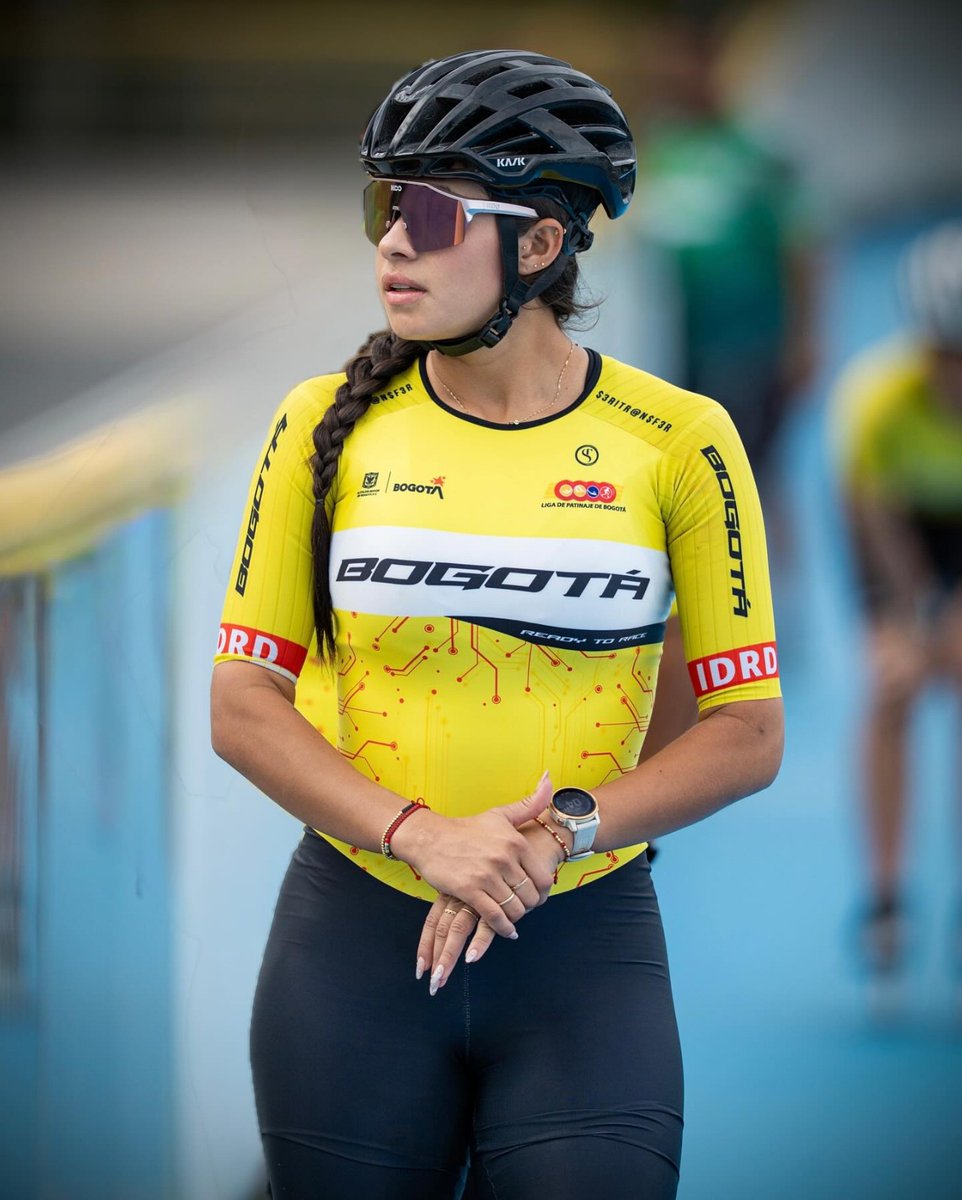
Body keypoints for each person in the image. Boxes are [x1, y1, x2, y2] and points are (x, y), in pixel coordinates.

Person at [210, 48, 784, 1200]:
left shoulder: (677, 439)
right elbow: (240, 709)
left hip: (577, 938)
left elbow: (744, 728)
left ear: (539, 241)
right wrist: (421, 833)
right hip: (353, 942)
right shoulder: (321, 421)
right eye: (383, 204)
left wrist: (560, 828)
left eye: (428, 210)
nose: (390, 241)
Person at [831, 221, 962, 1000]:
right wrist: (903, 624)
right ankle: (884, 898)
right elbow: (872, 529)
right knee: (893, 686)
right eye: (946, 357)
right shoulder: (877, 400)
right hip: (902, 530)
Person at [631, 9, 818, 551]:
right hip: (689, 342)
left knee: (750, 476)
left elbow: (804, 245)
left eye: (681, 61)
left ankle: (770, 601)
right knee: (690, 469)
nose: (669, 73)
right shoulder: (666, 148)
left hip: (753, 347)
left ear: (711, 63)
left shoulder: (759, 152)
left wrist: (805, 340)